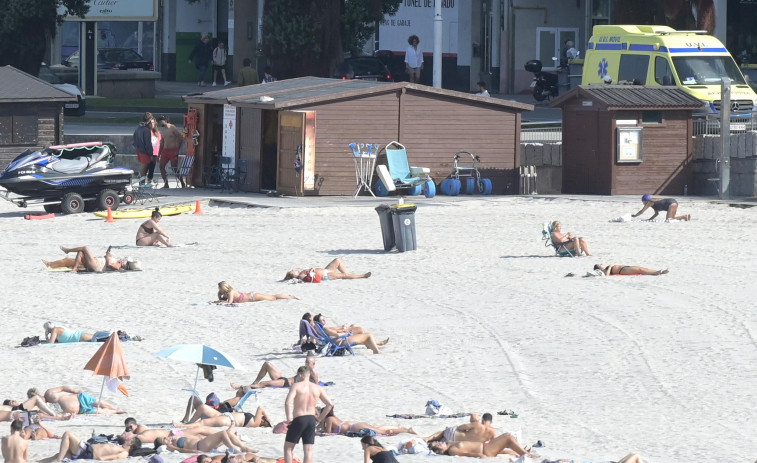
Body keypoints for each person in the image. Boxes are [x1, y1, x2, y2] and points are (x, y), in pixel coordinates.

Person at [283, 366, 334, 463]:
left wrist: (288, 418)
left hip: (299, 418)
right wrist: (319, 418)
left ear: (301, 375)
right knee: (308, 449)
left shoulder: (296, 386)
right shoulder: (318, 388)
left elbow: (287, 402)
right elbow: (330, 404)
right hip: (311, 419)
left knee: (288, 448)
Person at [231, 354, 320, 390]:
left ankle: (241, 387)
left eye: (308, 363)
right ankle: (254, 383)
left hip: (286, 383)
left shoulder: (313, 373)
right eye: (306, 362)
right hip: (284, 379)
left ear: (314, 363)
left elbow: (317, 387)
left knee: (264, 383)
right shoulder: (305, 369)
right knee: (267, 364)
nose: (306, 364)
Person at [39, 431, 137, 462]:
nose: (128, 439)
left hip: (87, 451)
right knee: (57, 455)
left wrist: (100, 458)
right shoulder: (119, 446)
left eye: (130, 440)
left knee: (67, 434)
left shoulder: (124, 452)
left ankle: (59, 460)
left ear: (132, 444)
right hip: (86, 450)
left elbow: (113, 457)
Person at [313, 314, 388, 354]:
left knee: (363, 335)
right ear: (319, 322)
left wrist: (343, 329)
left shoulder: (323, 328)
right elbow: (337, 335)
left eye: (324, 319)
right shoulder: (325, 328)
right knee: (368, 335)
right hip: (342, 341)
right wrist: (346, 332)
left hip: (339, 341)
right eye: (322, 320)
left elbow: (335, 333)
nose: (324, 320)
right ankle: (376, 351)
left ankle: (374, 346)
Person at [427, 431, 537, 458]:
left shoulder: (449, 444)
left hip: (485, 446)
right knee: (507, 437)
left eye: (438, 441)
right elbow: (466, 454)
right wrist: (480, 456)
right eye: (439, 444)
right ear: (440, 451)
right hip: (485, 450)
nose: (440, 442)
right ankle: (528, 455)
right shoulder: (452, 450)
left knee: (506, 449)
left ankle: (524, 451)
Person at [319, 408, 415, 436]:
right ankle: (398, 428)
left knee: (384, 433)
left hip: (354, 427)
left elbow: (328, 433)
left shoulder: (329, 419)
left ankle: (407, 431)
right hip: (355, 425)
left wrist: (322, 423)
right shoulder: (334, 418)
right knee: (378, 429)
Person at [156, 428, 256, 454]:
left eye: (165, 437)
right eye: (164, 439)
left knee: (228, 433)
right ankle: (232, 448)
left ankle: (244, 448)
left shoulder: (173, 439)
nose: (166, 438)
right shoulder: (169, 446)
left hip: (202, 443)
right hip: (199, 447)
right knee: (222, 433)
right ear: (162, 444)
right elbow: (181, 450)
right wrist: (194, 452)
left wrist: (175, 437)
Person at [122, 417, 215, 443]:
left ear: (134, 424)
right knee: (198, 433)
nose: (129, 429)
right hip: (171, 433)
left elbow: (141, 436)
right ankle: (218, 436)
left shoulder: (140, 429)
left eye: (130, 427)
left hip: (172, 434)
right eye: (127, 428)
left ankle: (218, 436)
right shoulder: (139, 429)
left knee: (198, 433)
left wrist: (128, 433)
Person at [42, 386, 125, 415]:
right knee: (99, 412)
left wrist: (74, 391)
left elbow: (62, 388)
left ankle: (115, 408)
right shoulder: (43, 408)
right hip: (81, 410)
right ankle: (116, 412)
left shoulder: (49, 393)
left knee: (101, 403)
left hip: (79, 398)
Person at [43, 245, 129, 273]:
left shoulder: (119, 266)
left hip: (96, 266)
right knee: (78, 254)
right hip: (93, 262)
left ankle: (68, 250)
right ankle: (50, 264)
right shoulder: (117, 261)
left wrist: (107, 257)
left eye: (125, 260)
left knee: (85, 248)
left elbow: (110, 265)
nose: (123, 259)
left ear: (125, 264)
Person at [157, 115, 186, 188]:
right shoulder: (162, 131)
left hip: (173, 150)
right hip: (165, 151)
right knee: (161, 166)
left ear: (165, 120)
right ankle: (166, 183)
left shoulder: (172, 128)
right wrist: (159, 154)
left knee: (174, 168)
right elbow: (162, 143)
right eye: (159, 121)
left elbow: (180, 138)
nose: (160, 122)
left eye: (161, 120)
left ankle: (182, 182)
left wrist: (177, 149)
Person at [425, 413, 496, 443]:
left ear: (482, 420)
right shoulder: (493, 432)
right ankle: (430, 440)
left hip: (454, 434)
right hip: (456, 443)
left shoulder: (477, 425)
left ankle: (428, 438)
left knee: (443, 432)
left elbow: (461, 427)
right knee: (441, 440)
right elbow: (493, 443)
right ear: (491, 422)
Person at [283, 258, 371, 282]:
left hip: (326, 270)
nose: (294, 269)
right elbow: (313, 278)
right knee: (343, 275)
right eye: (292, 271)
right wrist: (310, 272)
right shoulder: (301, 276)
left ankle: (348, 275)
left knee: (337, 260)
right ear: (293, 275)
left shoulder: (301, 272)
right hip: (326, 275)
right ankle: (362, 276)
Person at [216, 281, 297, 303]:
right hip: (252, 296)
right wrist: (219, 296)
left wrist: (219, 300)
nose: (220, 291)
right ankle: (289, 296)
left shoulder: (231, 292)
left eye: (220, 289)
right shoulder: (228, 293)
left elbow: (228, 303)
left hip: (253, 297)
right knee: (273, 297)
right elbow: (226, 301)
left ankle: (290, 297)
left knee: (273, 297)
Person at [133, 112, 158, 183]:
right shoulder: (146, 130)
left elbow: (134, 137)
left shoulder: (138, 127)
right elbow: (148, 144)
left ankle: (141, 183)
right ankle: (142, 183)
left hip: (139, 149)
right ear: (150, 119)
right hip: (145, 151)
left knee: (142, 167)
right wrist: (151, 154)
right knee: (144, 168)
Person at [594, 264, 669, 276]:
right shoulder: (604, 270)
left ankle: (659, 271)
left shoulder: (606, 268)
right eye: (600, 265)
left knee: (643, 268)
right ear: (599, 268)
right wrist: (610, 266)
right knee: (640, 270)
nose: (602, 264)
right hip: (622, 270)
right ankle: (657, 272)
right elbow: (607, 275)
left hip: (625, 268)